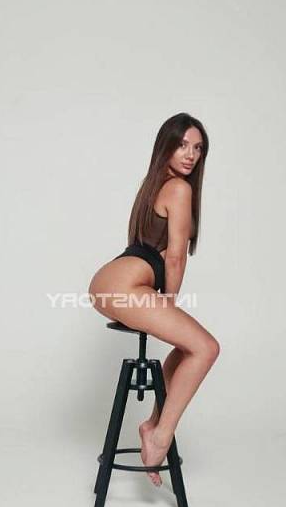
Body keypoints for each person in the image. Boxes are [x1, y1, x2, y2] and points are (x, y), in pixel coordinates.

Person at [88, 112, 220, 487]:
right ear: (167, 145)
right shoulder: (179, 188)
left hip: (109, 282)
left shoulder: (153, 184)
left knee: (190, 346)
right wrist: (170, 303)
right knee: (206, 348)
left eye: (198, 148)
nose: (190, 155)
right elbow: (175, 256)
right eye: (182, 145)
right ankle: (160, 434)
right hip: (127, 287)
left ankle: (153, 424)